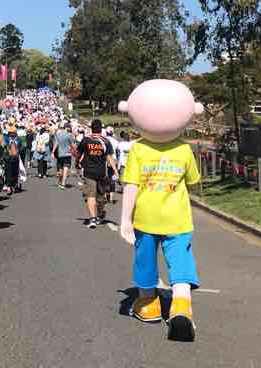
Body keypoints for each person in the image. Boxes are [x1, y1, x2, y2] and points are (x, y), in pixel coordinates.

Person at [118, 80, 203, 342]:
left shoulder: (139, 149)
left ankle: (148, 304)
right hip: (177, 219)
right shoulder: (184, 149)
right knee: (180, 261)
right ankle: (180, 306)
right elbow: (193, 181)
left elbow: (131, 185)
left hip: (146, 217)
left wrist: (125, 220)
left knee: (145, 260)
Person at [77, 119, 117, 229]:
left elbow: (78, 153)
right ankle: (94, 218)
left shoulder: (86, 140)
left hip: (91, 172)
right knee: (94, 196)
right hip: (100, 172)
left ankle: (97, 215)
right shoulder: (106, 141)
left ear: (91, 128)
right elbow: (110, 158)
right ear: (101, 129)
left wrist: (77, 163)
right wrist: (115, 171)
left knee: (98, 198)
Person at [53, 124, 74, 189]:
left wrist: (53, 152)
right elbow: (72, 144)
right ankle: (63, 183)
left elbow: (56, 143)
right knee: (66, 168)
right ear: (67, 128)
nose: (70, 129)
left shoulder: (58, 134)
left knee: (60, 169)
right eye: (70, 127)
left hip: (60, 154)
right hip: (67, 154)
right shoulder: (69, 135)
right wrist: (75, 151)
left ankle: (60, 181)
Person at [4, 124, 22, 194]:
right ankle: (8, 186)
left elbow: (21, 147)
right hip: (8, 157)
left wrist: (18, 150)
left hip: (16, 157)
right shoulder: (6, 139)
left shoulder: (18, 139)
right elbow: (3, 147)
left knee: (15, 172)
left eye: (14, 132)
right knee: (8, 172)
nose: (13, 134)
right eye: (11, 132)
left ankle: (14, 185)